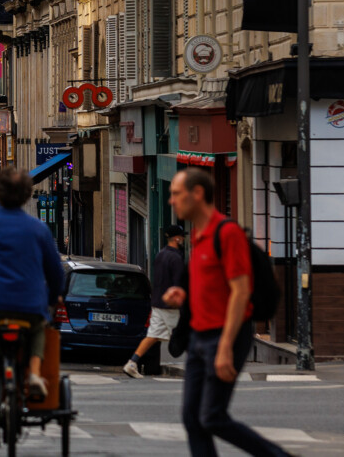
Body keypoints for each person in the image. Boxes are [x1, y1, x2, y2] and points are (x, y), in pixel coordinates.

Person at [161, 168, 292, 457]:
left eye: (176, 194)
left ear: (197, 194)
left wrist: (224, 348)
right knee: (192, 419)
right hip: (199, 337)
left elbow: (241, 292)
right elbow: (209, 289)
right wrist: (182, 295)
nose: (171, 201)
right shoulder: (198, 237)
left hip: (226, 336)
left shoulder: (227, 233)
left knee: (212, 417)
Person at [0, 167, 65, 455]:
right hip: (29, 305)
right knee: (40, 325)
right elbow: (55, 272)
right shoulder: (38, 229)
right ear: (27, 195)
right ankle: (32, 371)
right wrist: (53, 297)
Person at [125, 225, 186, 378]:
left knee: (153, 335)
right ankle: (201, 364)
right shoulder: (176, 258)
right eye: (182, 236)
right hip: (171, 306)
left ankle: (132, 362)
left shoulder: (160, 255)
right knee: (186, 333)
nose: (184, 239)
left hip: (158, 302)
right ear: (177, 238)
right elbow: (179, 283)